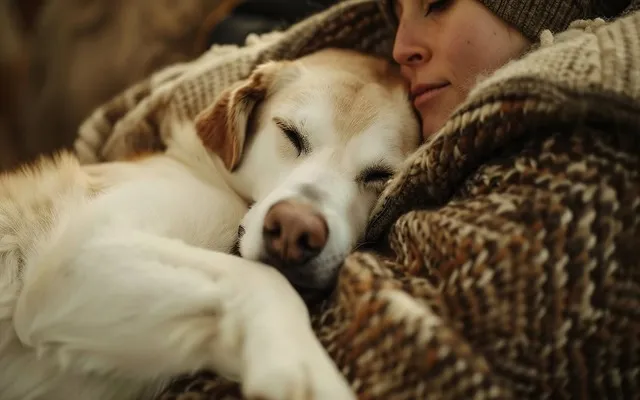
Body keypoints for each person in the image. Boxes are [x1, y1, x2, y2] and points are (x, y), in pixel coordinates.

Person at [74, 0, 640, 399]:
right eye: (398, 14)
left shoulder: (585, 126)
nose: (400, 47)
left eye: (438, 3)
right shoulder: (298, 89)